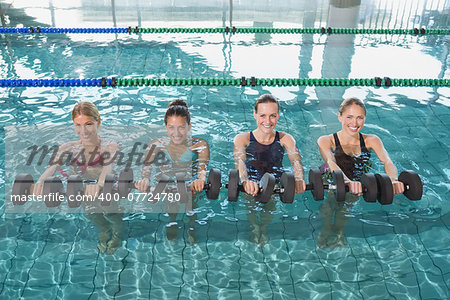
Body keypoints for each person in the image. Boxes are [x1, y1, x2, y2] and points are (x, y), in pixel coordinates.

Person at [33, 101, 122, 255]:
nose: (83, 131)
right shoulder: (68, 147)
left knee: (111, 212)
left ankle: (117, 234)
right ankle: (104, 229)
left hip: (107, 185)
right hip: (84, 187)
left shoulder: (110, 145)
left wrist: (100, 184)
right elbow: (52, 167)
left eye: (88, 124)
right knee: (90, 212)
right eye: (78, 125)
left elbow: (108, 168)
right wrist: (40, 182)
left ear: (98, 122)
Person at [316, 97, 404, 248]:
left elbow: (387, 161)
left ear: (364, 119)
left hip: (358, 180)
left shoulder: (372, 140)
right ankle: (325, 230)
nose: (354, 123)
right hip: (331, 177)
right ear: (340, 116)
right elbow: (331, 162)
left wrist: (393, 179)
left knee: (348, 203)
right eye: (349, 117)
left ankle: (339, 233)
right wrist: (347, 182)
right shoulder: (326, 140)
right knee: (329, 205)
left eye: (359, 118)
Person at [233, 94, 306, 246]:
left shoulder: (286, 138)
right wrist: (245, 181)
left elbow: (296, 161)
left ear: (278, 115)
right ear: (254, 115)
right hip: (251, 179)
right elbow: (239, 161)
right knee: (250, 200)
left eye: (272, 116)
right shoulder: (242, 138)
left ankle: (263, 228)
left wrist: (299, 179)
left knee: (270, 202)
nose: (267, 121)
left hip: (275, 181)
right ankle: (254, 227)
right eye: (263, 115)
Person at [135, 99, 209, 244]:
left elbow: (202, 169)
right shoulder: (156, 144)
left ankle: (191, 225)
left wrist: (200, 180)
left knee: (192, 200)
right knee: (170, 197)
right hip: (166, 180)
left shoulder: (200, 145)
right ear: (165, 127)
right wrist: (144, 179)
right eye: (171, 127)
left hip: (189, 181)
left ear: (189, 127)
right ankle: (172, 220)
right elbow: (146, 169)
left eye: (181, 127)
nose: (176, 133)